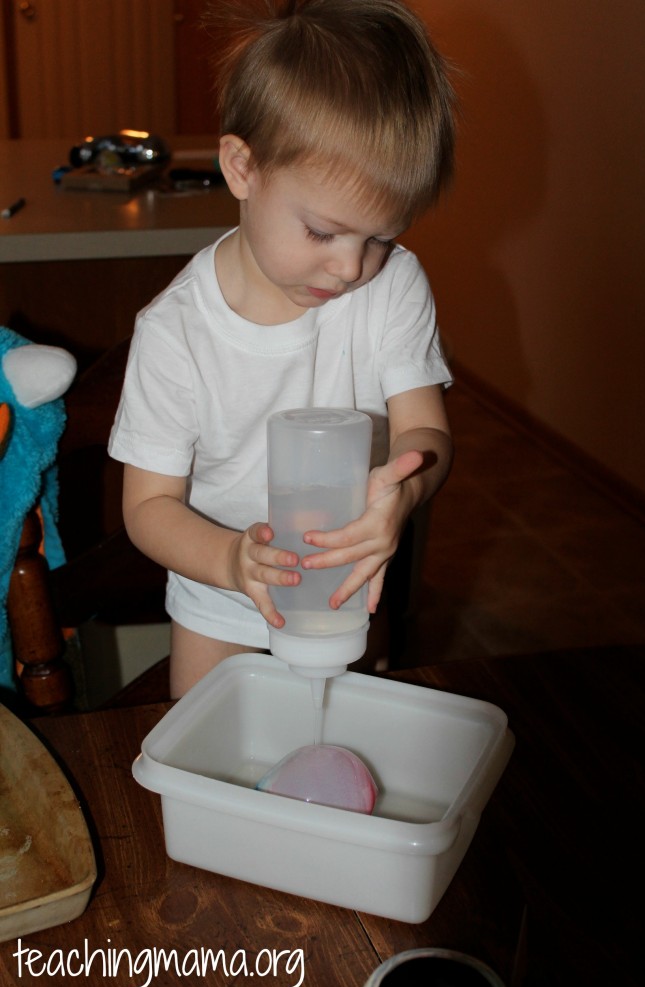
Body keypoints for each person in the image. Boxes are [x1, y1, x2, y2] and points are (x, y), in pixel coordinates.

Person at [108, 0, 457, 697]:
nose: (353, 268)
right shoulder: (176, 332)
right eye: (325, 233)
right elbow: (148, 508)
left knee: (348, 761)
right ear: (242, 168)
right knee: (219, 763)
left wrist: (405, 492)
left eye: (379, 238)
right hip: (220, 599)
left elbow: (426, 432)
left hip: (344, 585)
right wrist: (234, 562)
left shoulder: (394, 287)